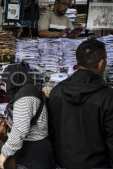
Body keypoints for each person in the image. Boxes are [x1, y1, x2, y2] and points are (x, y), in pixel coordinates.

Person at [48, 39, 113, 168]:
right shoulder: (107, 96)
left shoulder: (56, 92)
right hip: (97, 165)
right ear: (100, 63)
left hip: (63, 163)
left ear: (77, 61)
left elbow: (51, 131)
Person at [0, 63, 53, 169]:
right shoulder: (29, 91)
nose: (6, 87)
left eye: (5, 83)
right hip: (34, 150)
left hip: (33, 151)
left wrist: (4, 153)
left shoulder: (26, 96)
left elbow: (20, 129)